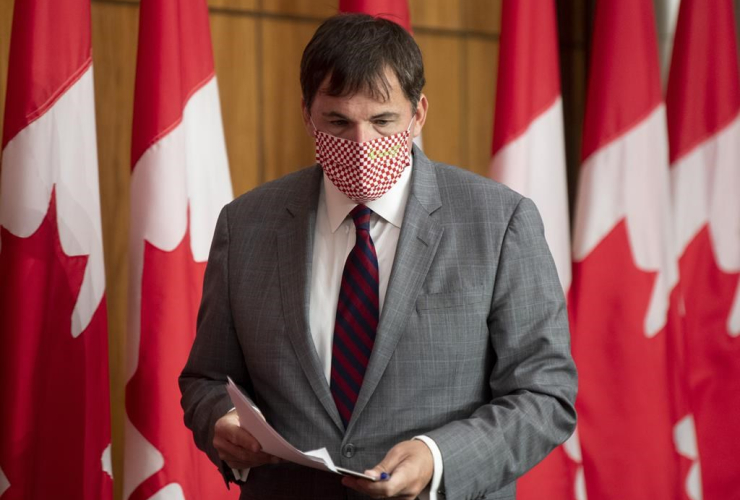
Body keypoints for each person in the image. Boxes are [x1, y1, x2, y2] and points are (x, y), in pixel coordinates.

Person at [180, 13, 577, 500]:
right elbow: (206, 377)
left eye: (383, 121)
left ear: (418, 114)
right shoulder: (245, 225)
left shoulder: (499, 221)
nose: (362, 144)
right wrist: (220, 419)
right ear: (307, 113)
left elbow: (545, 395)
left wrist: (436, 457)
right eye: (338, 121)